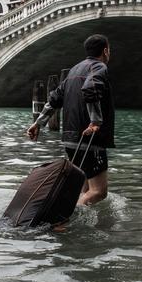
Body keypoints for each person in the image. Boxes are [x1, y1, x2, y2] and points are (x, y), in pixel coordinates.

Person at [27, 34, 114, 206]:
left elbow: (54, 99)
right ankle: (65, 217)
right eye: (109, 50)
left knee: (84, 189)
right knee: (98, 192)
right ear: (105, 51)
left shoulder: (74, 70)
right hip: (90, 137)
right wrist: (95, 122)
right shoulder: (99, 67)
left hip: (70, 139)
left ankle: (75, 222)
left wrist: (38, 123)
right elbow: (91, 88)